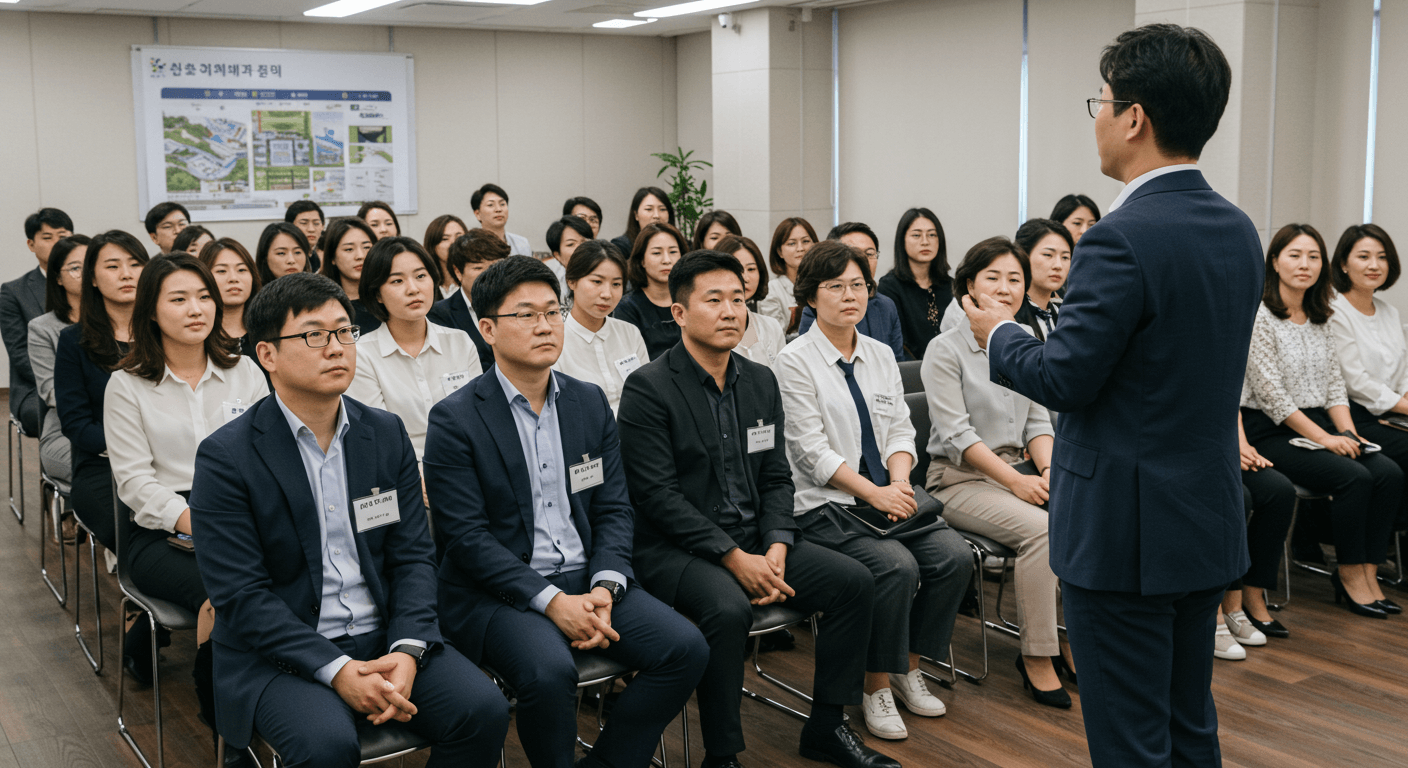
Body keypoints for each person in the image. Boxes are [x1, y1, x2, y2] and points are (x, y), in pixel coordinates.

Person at [963, 25, 1265, 767]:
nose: (1096, 116)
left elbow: (1064, 378)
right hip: (1204, 518)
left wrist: (1000, 332)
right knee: (1189, 723)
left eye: (1100, 100)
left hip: (1125, 535)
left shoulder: (1119, 238)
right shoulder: (1237, 229)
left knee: (1129, 741)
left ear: (1134, 118)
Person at [189, 273, 510, 768]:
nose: (336, 347)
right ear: (267, 355)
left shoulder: (383, 433)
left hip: (384, 633)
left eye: (344, 332)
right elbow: (241, 597)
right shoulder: (226, 456)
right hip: (281, 650)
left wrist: (406, 647)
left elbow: (413, 557)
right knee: (326, 747)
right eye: (314, 335)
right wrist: (337, 668)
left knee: (483, 710)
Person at [618, 250, 899, 768]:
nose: (731, 311)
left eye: (739, 299)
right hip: (677, 549)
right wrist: (732, 556)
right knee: (727, 609)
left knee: (854, 581)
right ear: (679, 313)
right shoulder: (648, 389)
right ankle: (722, 754)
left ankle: (827, 727)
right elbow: (657, 497)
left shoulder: (760, 381)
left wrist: (775, 543)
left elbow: (776, 477)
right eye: (714, 300)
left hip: (755, 539)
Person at [424, 256, 707, 768]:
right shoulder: (455, 419)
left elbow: (615, 506)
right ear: (487, 328)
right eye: (525, 315)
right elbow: (466, 539)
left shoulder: (588, 401)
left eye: (553, 312)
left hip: (589, 580)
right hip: (501, 594)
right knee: (551, 672)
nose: (545, 326)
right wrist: (554, 602)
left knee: (686, 647)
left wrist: (604, 586)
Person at [775, 240, 968, 740]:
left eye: (858, 285)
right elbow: (809, 452)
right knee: (895, 567)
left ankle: (906, 665)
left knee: (953, 556)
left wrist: (899, 481)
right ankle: (874, 683)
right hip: (828, 505)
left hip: (887, 497)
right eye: (834, 286)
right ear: (811, 296)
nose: (849, 295)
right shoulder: (793, 361)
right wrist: (874, 493)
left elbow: (901, 429)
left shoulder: (880, 353)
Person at [104, 254, 270, 741]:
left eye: (204, 297)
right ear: (151, 312)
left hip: (245, 513)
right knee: (224, 589)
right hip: (163, 530)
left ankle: (278, 694)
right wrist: (200, 521)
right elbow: (135, 484)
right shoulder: (128, 384)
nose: (196, 309)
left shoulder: (246, 372)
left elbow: (268, 459)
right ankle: (228, 726)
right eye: (178, 299)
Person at [926, 238, 1073, 708]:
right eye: (993, 277)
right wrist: (1017, 481)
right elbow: (957, 437)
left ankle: (1069, 637)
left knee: (1084, 514)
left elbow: (1036, 422)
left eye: (1014, 279)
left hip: (1022, 470)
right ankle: (1036, 655)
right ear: (969, 287)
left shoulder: (1020, 344)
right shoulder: (944, 350)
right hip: (959, 480)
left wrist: (1048, 469)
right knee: (1046, 533)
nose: (1006, 288)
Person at [1242, 223, 1401, 618]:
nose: (1305, 265)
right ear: (1275, 262)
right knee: (1354, 477)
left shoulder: (1320, 314)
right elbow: (1272, 396)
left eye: (1313, 257)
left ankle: (1368, 572)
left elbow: (1334, 386)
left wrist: (1346, 432)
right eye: (1294, 255)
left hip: (1316, 421)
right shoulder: (1259, 315)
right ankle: (1347, 575)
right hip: (1269, 427)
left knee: (1386, 472)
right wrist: (1327, 440)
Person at [55, 230, 149, 554]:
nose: (126, 274)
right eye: (112, 266)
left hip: (170, 459)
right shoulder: (74, 341)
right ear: (92, 279)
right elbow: (76, 424)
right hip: (101, 465)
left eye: (135, 264)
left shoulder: (165, 332)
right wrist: (135, 446)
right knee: (134, 530)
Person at [346, 237, 481, 461]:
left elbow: (477, 420)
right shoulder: (362, 355)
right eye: (397, 281)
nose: (413, 289)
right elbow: (379, 437)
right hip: (401, 472)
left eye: (420, 276)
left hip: (464, 464)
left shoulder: (460, 342)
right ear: (377, 294)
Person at [1328, 223, 1408, 535]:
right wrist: (1402, 407)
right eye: (1363, 256)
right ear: (1344, 264)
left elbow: (1402, 368)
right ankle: (1393, 538)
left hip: (1391, 410)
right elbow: (1354, 381)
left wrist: (1401, 402)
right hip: (1351, 414)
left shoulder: (1388, 311)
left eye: (1382, 257)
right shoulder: (1334, 310)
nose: (1374, 265)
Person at [1219, 412, 1296, 655]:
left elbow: (1231, 402)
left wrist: (1240, 443)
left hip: (1225, 438)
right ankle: (1216, 611)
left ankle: (1249, 598)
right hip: (1189, 445)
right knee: (1238, 497)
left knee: (1279, 490)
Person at [552, 240, 647, 414]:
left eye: (616, 284)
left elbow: (647, 394)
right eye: (597, 281)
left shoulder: (629, 333)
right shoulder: (555, 341)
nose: (607, 294)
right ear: (571, 281)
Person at [3, 207, 72, 436]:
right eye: (47, 237)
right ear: (31, 245)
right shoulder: (13, 292)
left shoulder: (93, 285)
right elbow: (20, 353)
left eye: (63, 237)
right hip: (35, 388)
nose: (57, 244)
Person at [28, 234, 89, 488]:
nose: (85, 273)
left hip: (130, 430)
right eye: (75, 268)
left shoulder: (121, 322)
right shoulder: (43, 328)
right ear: (57, 277)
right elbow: (53, 392)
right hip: (67, 433)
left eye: (91, 265)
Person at [798, 223, 906, 362]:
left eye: (869, 254)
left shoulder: (886, 306)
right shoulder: (818, 307)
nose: (862, 260)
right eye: (853, 252)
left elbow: (897, 363)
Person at [427, 229, 507, 372]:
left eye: (496, 266)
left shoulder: (517, 307)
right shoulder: (438, 315)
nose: (490, 275)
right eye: (478, 267)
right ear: (458, 272)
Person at [878, 208, 950, 360]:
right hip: (911, 372)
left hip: (952, 368)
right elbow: (897, 342)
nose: (925, 241)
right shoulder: (890, 287)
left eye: (932, 234)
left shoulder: (951, 286)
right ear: (902, 240)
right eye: (916, 235)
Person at [614, 222, 685, 361]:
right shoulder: (627, 307)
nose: (667, 260)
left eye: (673, 252)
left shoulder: (691, 300)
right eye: (657, 253)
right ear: (642, 261)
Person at [713, 235, 785, 366]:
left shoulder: (771, 326)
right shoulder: (708, 327)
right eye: (737, 270)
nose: (745, 278)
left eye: (751, 269)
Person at [321, 216, 384, 334]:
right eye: (349, 249)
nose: (360, 256)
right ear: (332, 257)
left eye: (367, 247)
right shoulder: (324, 305)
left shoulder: (387, 299)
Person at [198, 238, 261, 351]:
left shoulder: (268, 331)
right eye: (221, 271)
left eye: (241, 270)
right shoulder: (197, 336)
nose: (233, 278)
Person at [757, 217, 817, 335]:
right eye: (792, 243)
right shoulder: (772, 291)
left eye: (805, 241)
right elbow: (776, 337)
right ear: (779, 252)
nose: (800, 248)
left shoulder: (824, 283)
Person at [611, 186, 674, 261]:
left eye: (662, 209)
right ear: (636, 215)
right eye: (649, 209)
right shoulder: (621, 246)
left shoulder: (681, 244)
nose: (656, 215)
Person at [471, 183, 531, 256]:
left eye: (502, 204)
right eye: (490, 205)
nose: (498, 209)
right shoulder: (470, 246)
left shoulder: (522, 243)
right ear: (477, 214)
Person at [543, 216, 593, 303]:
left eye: (584, 242)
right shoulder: (551, 286)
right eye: (571, 244)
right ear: (557, 256)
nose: (579, 248)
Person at [422, 214, 469, 300]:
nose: (453, 243)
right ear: (433, 246)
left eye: (459, 237)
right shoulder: (425, 284)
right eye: (445, 239)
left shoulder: (476, 280)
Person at [286, 200, 326, 270]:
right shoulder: (287, 258)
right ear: (289, 226)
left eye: (316, 223)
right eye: (304, 223)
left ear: (323, 226)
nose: (311, 229)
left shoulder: (317, 257)